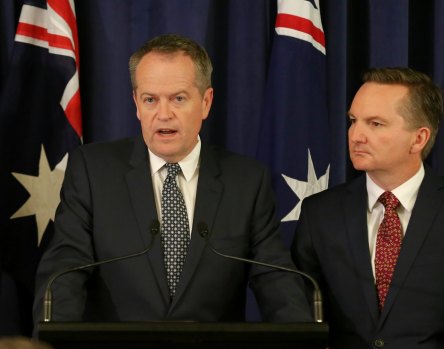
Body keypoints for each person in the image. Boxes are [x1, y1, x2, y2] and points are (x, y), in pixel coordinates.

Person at [32, 34, 312, 333]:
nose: (163, 114)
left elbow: (276, 281)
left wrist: (303, 339)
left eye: (178, 98)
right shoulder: (93, 171)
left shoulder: (245, 181)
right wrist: (54, 341)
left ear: (206, 102)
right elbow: (64, 272)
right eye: (150, 100)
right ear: (136, 104)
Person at [292, 67, 444, 348]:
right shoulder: (320, 214)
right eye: (353, 121)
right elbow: (300, 313)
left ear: (419, 138)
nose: (355, 135)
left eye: (375, 124)